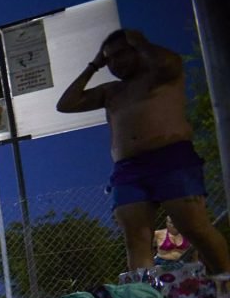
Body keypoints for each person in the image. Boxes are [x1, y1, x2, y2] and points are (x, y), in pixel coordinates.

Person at [56, 29, 230, 274]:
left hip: (171, 159)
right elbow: (66, 104)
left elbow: (170, 63)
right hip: (129, 170)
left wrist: (141, 43)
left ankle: (225, 286)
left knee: (194, 227)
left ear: (137, 50)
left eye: (121, 54)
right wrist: (94, 65)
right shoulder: (111, 91)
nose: (115, 63)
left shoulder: (162, 74)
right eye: (110, 59)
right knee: (135, 238)